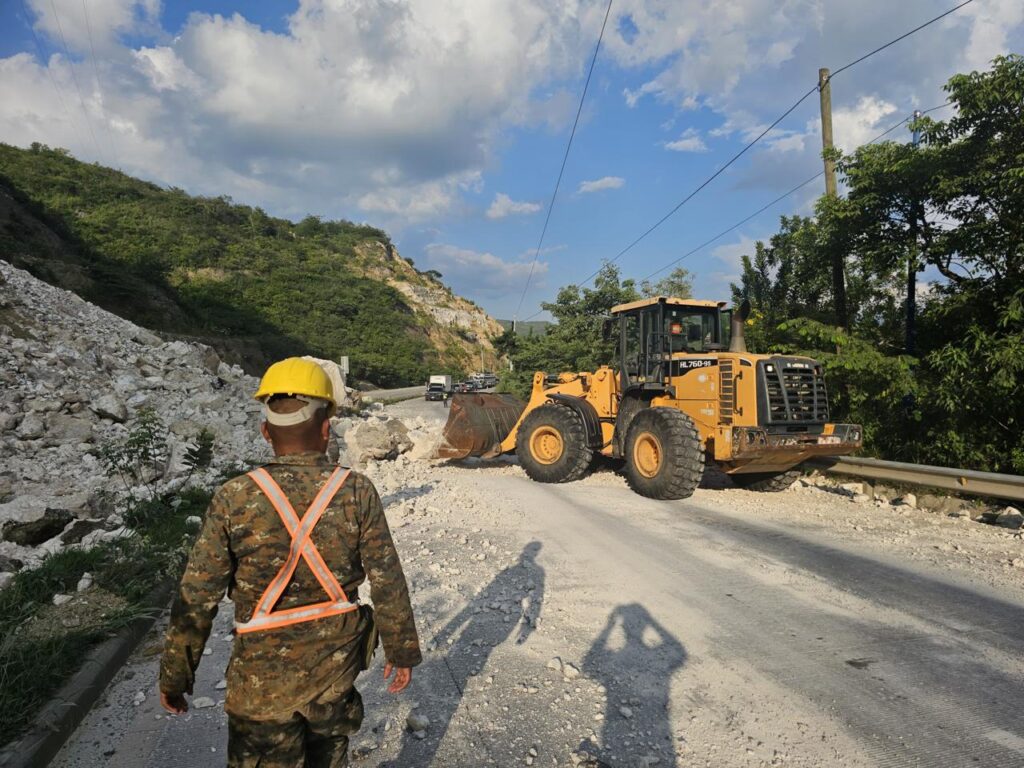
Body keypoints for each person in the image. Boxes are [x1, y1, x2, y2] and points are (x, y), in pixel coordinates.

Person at [158, 357, 421, 767]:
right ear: (326, 429)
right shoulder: (357, 491)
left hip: (262, 689)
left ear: (266, 432)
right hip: (333, 679)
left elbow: (197, 596)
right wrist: (401, 650)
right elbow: (387, 580)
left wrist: (176, 675)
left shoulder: (234, 497)